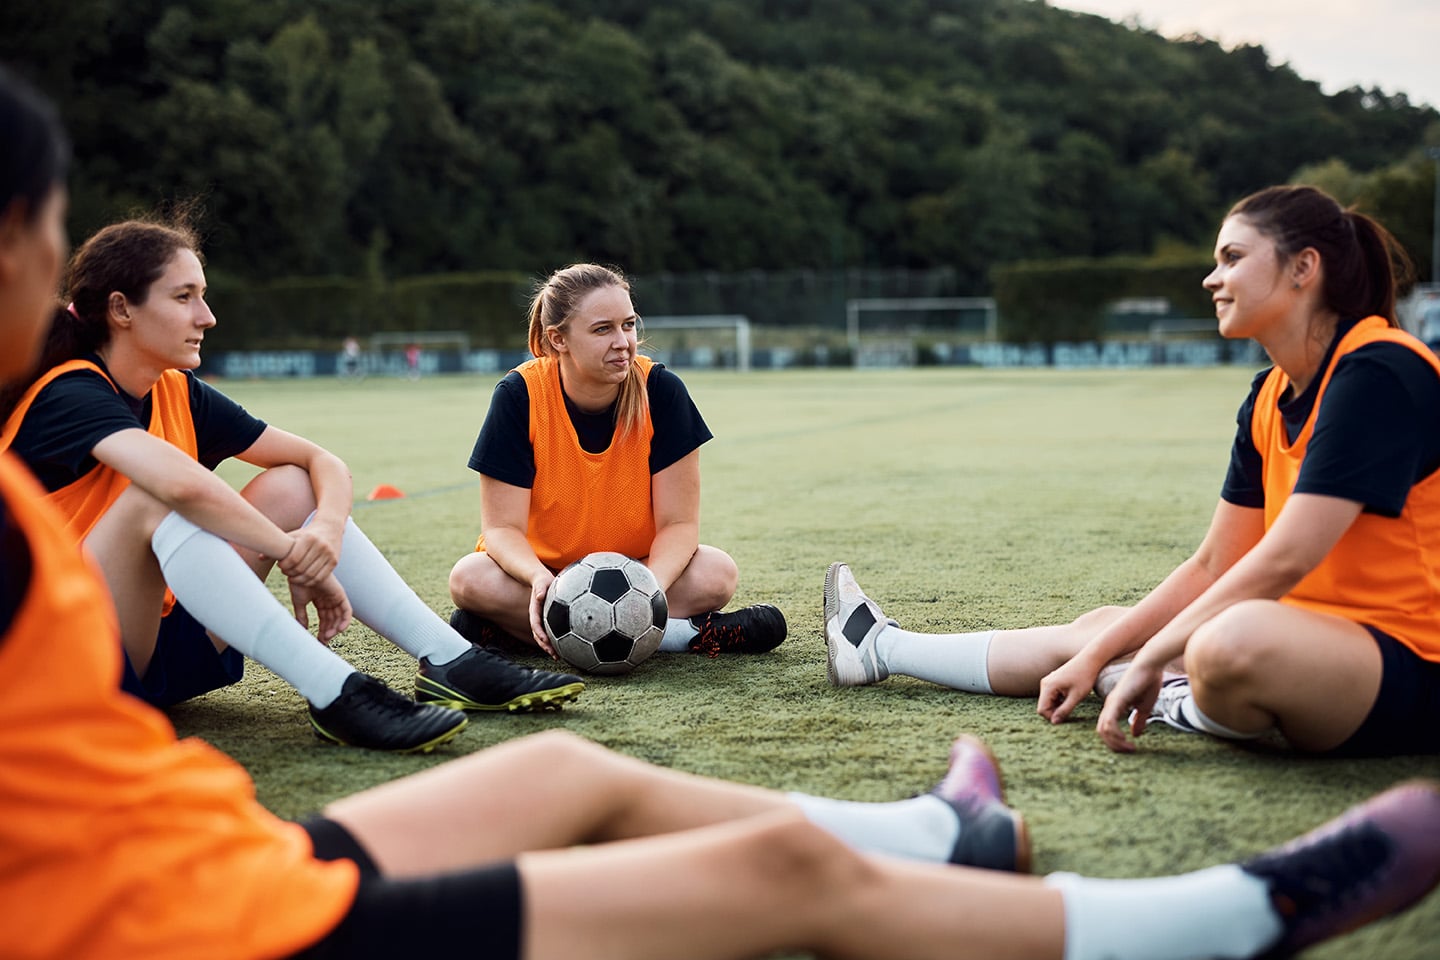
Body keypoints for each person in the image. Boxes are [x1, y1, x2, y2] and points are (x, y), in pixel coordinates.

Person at [4, 64, 1440, 960]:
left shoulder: (1366, 370)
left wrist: (321, 524)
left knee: (566, 774)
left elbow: (295, 469)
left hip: (175, 846)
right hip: (166, 918)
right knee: (773, 871)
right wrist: (521, 578)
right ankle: (1220, 921)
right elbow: (469, 526)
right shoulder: (64, 417)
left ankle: (938, 829)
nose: (627, 340)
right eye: (67, 239)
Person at [826, 184, 1440, 758]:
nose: (1212, 278)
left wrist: (1154, 659)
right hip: (1317, 640)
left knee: (1230, 642)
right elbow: (1213, 565)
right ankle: (881, 647)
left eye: (1232, 258)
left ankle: (1175, 701)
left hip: (1412, 661)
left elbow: (1285, 559)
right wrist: (1100, 656)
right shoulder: (1269, 394)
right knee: (1103, 631)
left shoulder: (1378, 371)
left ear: (1304, 268)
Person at [0, 211, 588, 753]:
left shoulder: (175, 389)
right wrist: (292, 554)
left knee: (293, 484)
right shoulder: (67, 392)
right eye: (185, 298)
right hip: (65, 666)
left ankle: (451, 660)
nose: (207, 316)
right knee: (157, 497)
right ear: (122, 309)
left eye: (204, 296)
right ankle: (336, 692)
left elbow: (322, 462)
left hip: (158, 648)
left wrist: (323, 533)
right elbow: (178, 488)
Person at [449, 263, 788, 659]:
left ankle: (519, 635)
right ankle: (686, 636)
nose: (624, 342)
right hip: (547, 576)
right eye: (602, 329)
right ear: (559, 339)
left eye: (628, 325)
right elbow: (501, 529)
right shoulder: (519, 395)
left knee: (717, 574)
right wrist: (541, 580)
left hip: (640, 570)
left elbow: (678, 525)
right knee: (470, 579)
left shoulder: (661, 391)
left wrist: (645, 591)